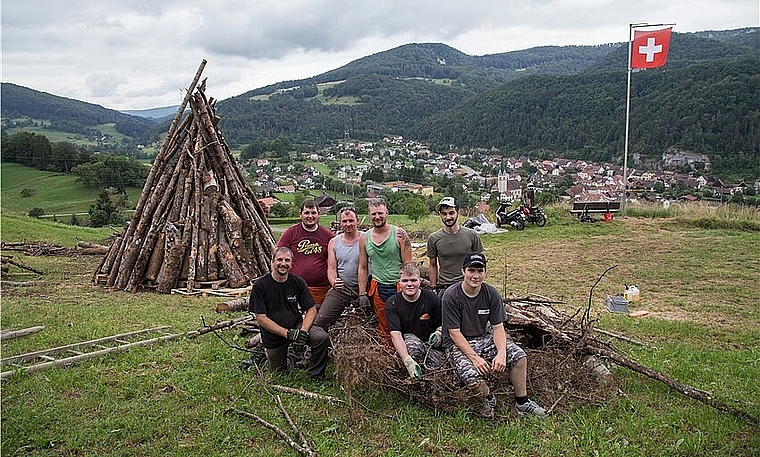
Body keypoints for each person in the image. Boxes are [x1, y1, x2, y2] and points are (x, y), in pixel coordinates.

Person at [442, 252, 546, 419]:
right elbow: (454, 333)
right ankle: (488, 399)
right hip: (458, 343)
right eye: (471, 270)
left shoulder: (491, 293)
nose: (475, 276)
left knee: (519, 356)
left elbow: (498, 328)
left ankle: (522, 402)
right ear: (463, 271)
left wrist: (502, 354)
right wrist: (475, 358)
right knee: (471, 376)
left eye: (480, 271)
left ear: (485, 272)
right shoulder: (451, 295)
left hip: (484, 337)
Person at [248, 247, 330, 379]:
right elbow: (261, 318)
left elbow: (311, 309)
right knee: (279, 374)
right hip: (273, 335)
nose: (283, 263)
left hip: (296, 326)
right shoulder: (260, 286)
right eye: (279, 260)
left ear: (292, 264)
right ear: (272, 262)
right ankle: (291, 357)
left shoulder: (298, 282)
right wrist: (287, 334)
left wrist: (302, 331)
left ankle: (317, 374)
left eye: (287, 260)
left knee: (321, 337)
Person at [357, 197, 413, 341]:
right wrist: (362, 293)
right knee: (384, 325)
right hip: (378, 287)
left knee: (404, 323)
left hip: (399, 286)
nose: (377, 217)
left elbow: (408, 265)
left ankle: (407, 354)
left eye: (380, 213)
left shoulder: (400, 235)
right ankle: (387, 355)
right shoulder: (365, 238)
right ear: (369, 215)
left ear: (386, 213)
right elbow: (363, 267)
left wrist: (409, 288)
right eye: (374, 214)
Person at [385, 263, 444, 380]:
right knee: (412, 346)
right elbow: (395, 335)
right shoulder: (393, 303)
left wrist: (439, 334)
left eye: (413, 280)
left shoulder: (432, 298)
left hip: (431, 348)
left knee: (442, 372)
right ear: (399, 283)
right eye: (405, 281)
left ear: (420, 281)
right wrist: (407, 360)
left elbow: (442, 324)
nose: (409, 284)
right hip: (407, 348)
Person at [314, 207, 364, 331]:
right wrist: (334, 282)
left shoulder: (366, 238)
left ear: (357, 221)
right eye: (345, 221)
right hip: (343, 288)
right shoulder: (334, 242)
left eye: (351, 221)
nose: (348, 224)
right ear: (340, 223)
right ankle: (315, 347)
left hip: (365, 288)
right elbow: (331, 269)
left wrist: (364, 293)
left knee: (375, 319)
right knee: (320, 321)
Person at [277, 199, 334, 307]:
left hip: (321, 288)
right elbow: (278, 256)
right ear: (300, 214)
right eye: (307, 213)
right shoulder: (290, 233)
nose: (310, 216)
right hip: (294, 287)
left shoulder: (328, 235)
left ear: (318, 214)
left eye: (313, 213)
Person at [427, 196, 483, 296]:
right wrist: (433, 288)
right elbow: (432, 265)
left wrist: (477, 284)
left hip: (467, 285)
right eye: (444, 214)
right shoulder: (434, 238)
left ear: (458, 212)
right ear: (440, 215)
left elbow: (480, 263)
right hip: (444, 287)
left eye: (451, 213)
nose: (448, 217)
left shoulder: (471, 235)